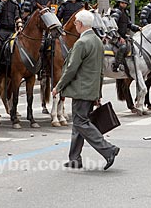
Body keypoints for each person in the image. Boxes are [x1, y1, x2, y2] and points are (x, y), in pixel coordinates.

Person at [51, 10, 120, 170]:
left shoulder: (81, 43)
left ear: (80, 24)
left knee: (81, 122)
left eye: (75, 23)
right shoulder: (97, 41)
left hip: (81, 90)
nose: (74, 25)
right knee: (78, 123)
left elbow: (71, 69)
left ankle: (108, 149)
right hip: (91, 89)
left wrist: (58, 87)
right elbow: (101, 70)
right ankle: (75, 158)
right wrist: (98, 93)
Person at [110, 0, 141, 72]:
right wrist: (119, 37)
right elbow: (112, 26)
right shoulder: (116, 12)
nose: (123, 4)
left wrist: (138, 28)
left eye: (125, 3)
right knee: (123, 46)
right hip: (114, 36)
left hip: (123, 36)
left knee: (134, 44)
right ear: (118, 3)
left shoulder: (125, 13)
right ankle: (116, 65)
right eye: (122, 2)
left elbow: (129, 25)